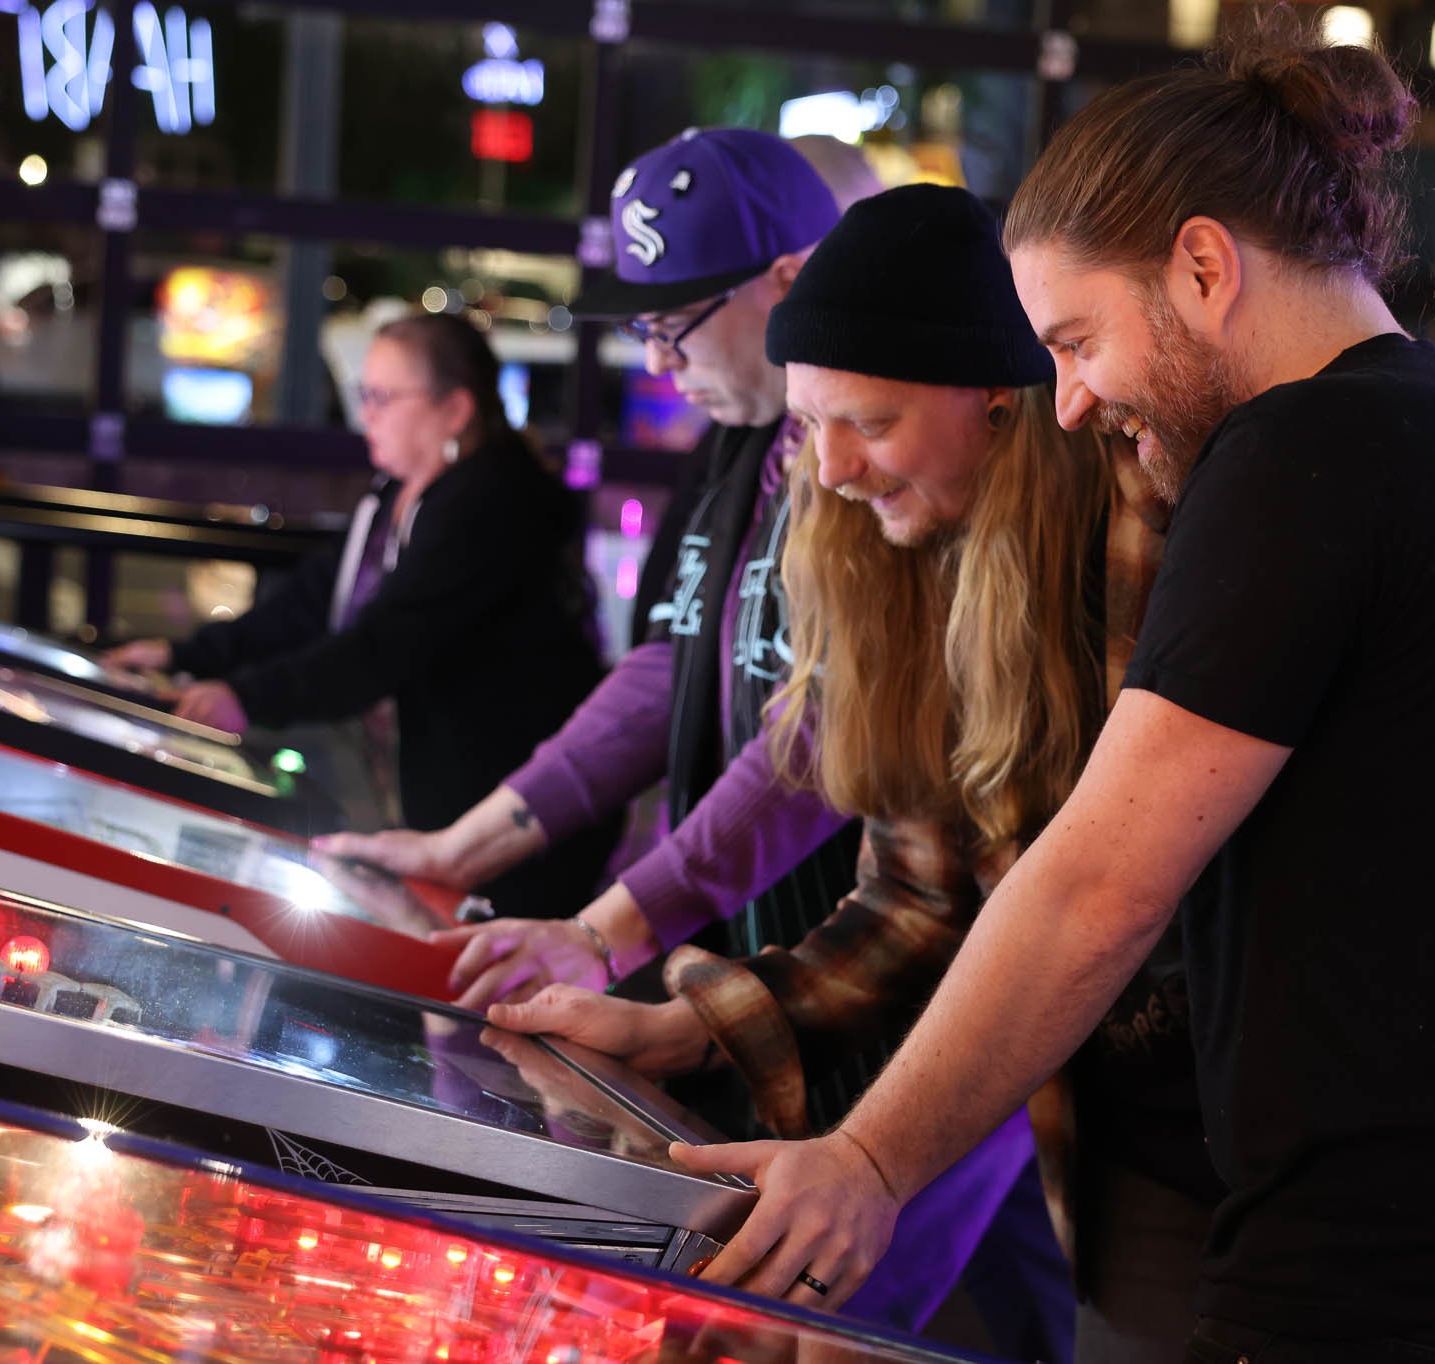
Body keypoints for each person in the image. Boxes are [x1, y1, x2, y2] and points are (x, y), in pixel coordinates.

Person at [656, 14, 1435, 1364]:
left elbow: (1101, 882)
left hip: (1382, 1298)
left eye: (1077, 339)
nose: (1068, 405)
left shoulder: (1300, 451)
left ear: (1204, 266)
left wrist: (869, 1161)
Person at [319, 146, 1074, 1354]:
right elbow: (913, 870)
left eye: (678, 322)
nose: (825, 465)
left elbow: (1051, 904)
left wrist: (625, 934)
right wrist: (661, 987)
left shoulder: (1069, 533)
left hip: (990, 1050)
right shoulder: (781, 469)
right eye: (816, 427)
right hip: (859, 990)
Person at [486, 184, 1216, 1362]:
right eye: (809, 423)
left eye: (867, 422)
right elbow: (917, 894)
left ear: (998, 394)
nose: (826, 470)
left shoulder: (1148, 531)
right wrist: (685, 1025)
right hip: (1106, 1137)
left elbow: (1102, 908)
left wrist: (872, 1157)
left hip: (1249, 1140)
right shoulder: (916, 556)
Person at [103, 312, 618, 921]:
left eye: (383, 397)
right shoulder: (395, 493)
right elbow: (311, 602)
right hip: (452, 797)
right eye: (362, 394)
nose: (365, 413)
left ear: (454, 410)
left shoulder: (493, 500)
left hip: (515, 809)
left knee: (498, 987)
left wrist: (246, 697)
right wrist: (184, 656)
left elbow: (385, 644)